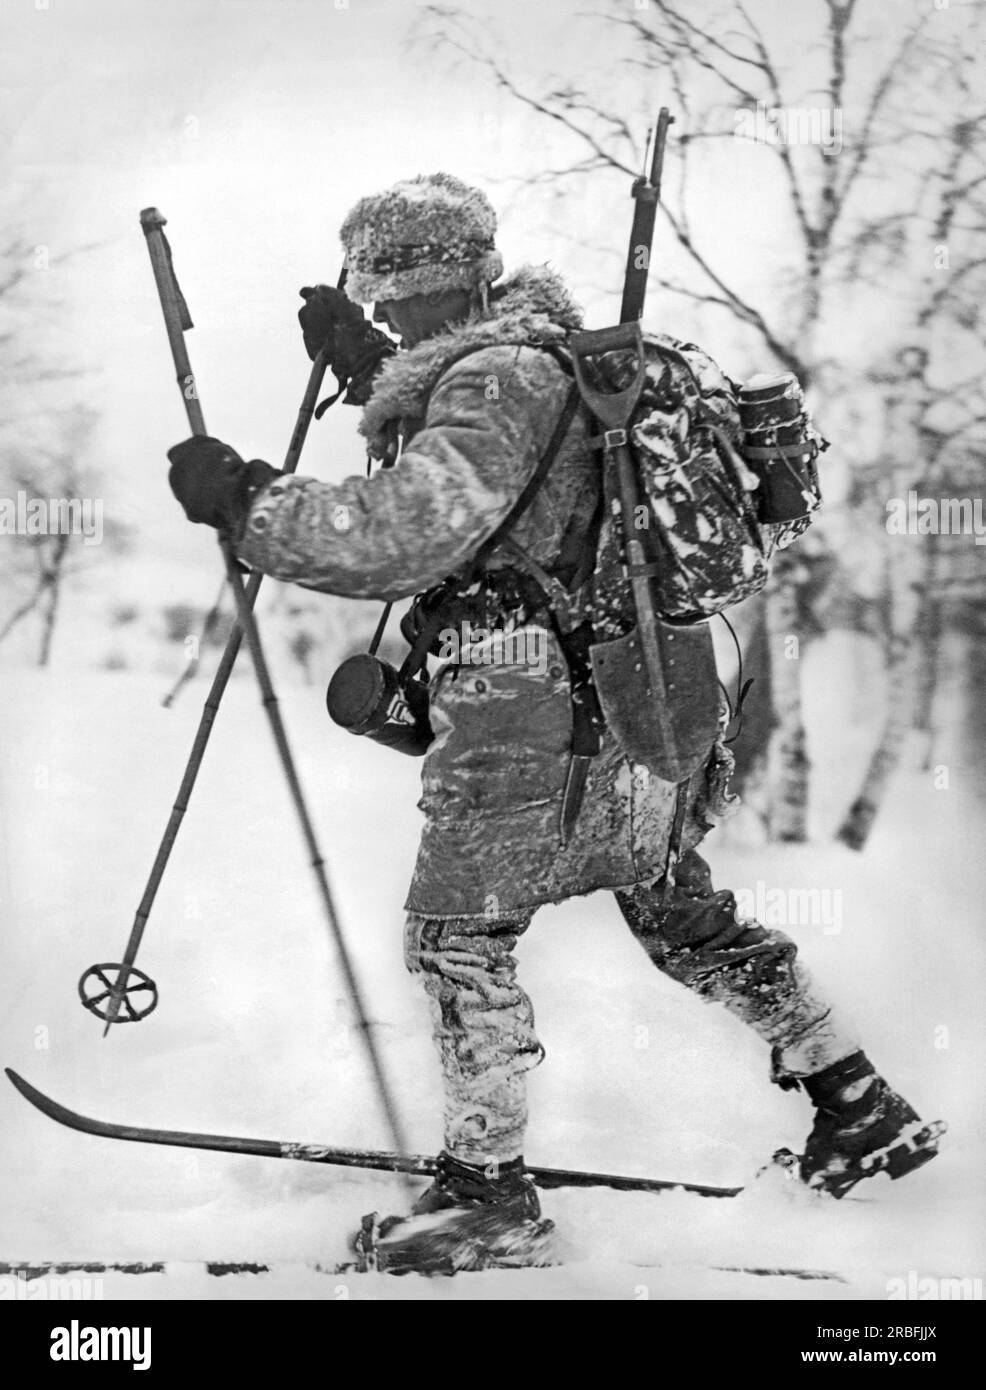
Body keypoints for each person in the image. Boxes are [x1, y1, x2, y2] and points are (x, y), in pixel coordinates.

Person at [166, 173, 944, 1275]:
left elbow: (405, 532)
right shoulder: (549, 362)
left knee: (457, 938)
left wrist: (249, 501)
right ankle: (855, 1099)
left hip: (532, 706)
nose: (381, 308)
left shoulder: (491, 381)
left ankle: (486, 1199)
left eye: (392, 291)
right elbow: (521, 492)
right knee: (685, 920)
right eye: (370, 295)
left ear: (447, 278)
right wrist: (368, 371)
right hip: (646, 692)